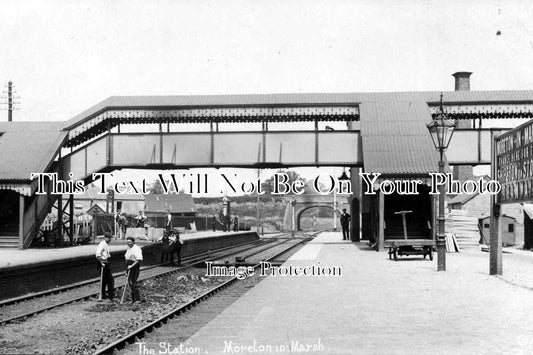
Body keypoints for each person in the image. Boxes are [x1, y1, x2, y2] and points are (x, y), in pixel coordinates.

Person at [95, 232, 114, 302]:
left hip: (106, 262)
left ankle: (103, 295)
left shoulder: (106, 244)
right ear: (105, 237)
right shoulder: (102, 244)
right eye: (109, 238)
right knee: (110, 280)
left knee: (104, 280)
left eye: (110, 238)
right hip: (103, 263)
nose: (110, 239)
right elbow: (97, 254)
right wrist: (101, 262)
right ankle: (111, 296)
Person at [125, 236, 143, 303]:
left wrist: (132, 266)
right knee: (130, 283)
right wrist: (126, 271)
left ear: (133, 242)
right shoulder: (129, 249)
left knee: (133, 283)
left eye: (130, 242)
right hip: (129, 267)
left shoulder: (136, 249)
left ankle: (137, 299)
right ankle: (133, 299)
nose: (128, 243)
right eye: (127, 242)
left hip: (134, 267)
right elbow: (127, 259)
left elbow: (138, 259)